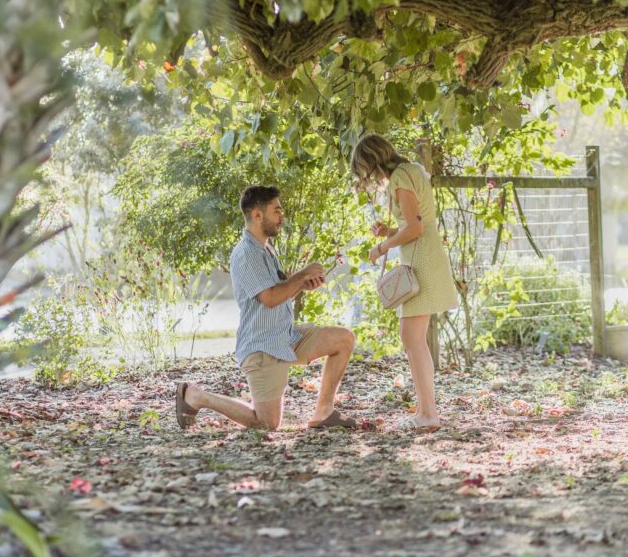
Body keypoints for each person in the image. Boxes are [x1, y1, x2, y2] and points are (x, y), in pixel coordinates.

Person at [175, 185, 358, 431]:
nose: (282, 216)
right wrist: (302, 274)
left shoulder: (265, 248)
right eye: (277, 211)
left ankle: (323, 412)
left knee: (343, 339)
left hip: (286, 337)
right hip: (262, 347)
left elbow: (277, 293)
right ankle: (196, 396)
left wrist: (301, 285)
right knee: (266, 423)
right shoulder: (247, 254)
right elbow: (270, 298)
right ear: (257, 215)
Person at [351, 135, 457, 429]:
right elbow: (415, 223)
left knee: (412, 339)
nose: (366, 177)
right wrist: (389, 231)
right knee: (413, 339)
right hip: (425, 256)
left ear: (372, 161)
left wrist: (382, 247)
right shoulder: (410, 170)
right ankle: (425, 411)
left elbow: (415, 228)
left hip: (422, 260)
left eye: (364, 169)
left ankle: (428, 414)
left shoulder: (399, 177)